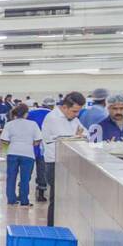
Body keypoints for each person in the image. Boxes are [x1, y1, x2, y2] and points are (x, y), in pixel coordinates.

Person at [41, 92, 86, 227]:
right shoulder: (53, 118)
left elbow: (85, 133)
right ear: (65, 107)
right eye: (74, 111)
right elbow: (67, 139)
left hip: (68, 162)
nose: (76, 114)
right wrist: (77, 136)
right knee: (56, 200)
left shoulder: (72, 118)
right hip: (55, 163)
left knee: (65, 201)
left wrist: (78, 136)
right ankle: (52, 229)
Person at [1, 103, 41, 206]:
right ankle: (24, 201)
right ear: (26, 114)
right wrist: (28, 143)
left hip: (12, 152)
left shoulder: (9, 124)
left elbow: (4, 140)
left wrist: (8, 148)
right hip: (28, 153)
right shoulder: (33, 124)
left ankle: (11, 200)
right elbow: (37, 140)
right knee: (25, 178)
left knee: (11, 177)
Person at [29, 96, 54, 202]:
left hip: (30, 145)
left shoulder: (32, 113)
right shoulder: (52, 115)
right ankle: (41, 193)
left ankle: (22, 192)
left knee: (27, 170)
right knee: (42, 169)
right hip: (44, 146)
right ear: (52, 106)